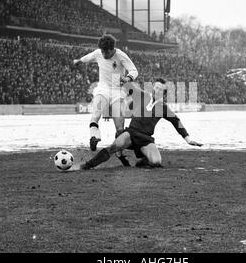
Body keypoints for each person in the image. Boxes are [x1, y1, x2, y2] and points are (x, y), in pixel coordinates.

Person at [70, 78, 202, 171]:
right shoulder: (142, 95)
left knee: (156, 162)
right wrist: (122, 78)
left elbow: (176, 122)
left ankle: (142, 161)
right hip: (131, 133)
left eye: (160, 89)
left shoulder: (164, 108)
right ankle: (87, 165)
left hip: (145, 139)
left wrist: (188, 139)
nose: (156, 90)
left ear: (164, 93)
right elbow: (127, 86)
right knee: (113, 147)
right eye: (155, 87)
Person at [73, 34, 138, 166]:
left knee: (120, 129)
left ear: (111, 49)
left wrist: (127, 79)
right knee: (95, 115)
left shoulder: (120, 55)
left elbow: (134, 70)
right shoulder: (98, 53)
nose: (102, 54)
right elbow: (87, 58)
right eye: (101, 51)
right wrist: (79, 61)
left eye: (105, 52)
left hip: (117, 92)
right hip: (102, 89)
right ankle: (94, 137)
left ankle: (119, 153)